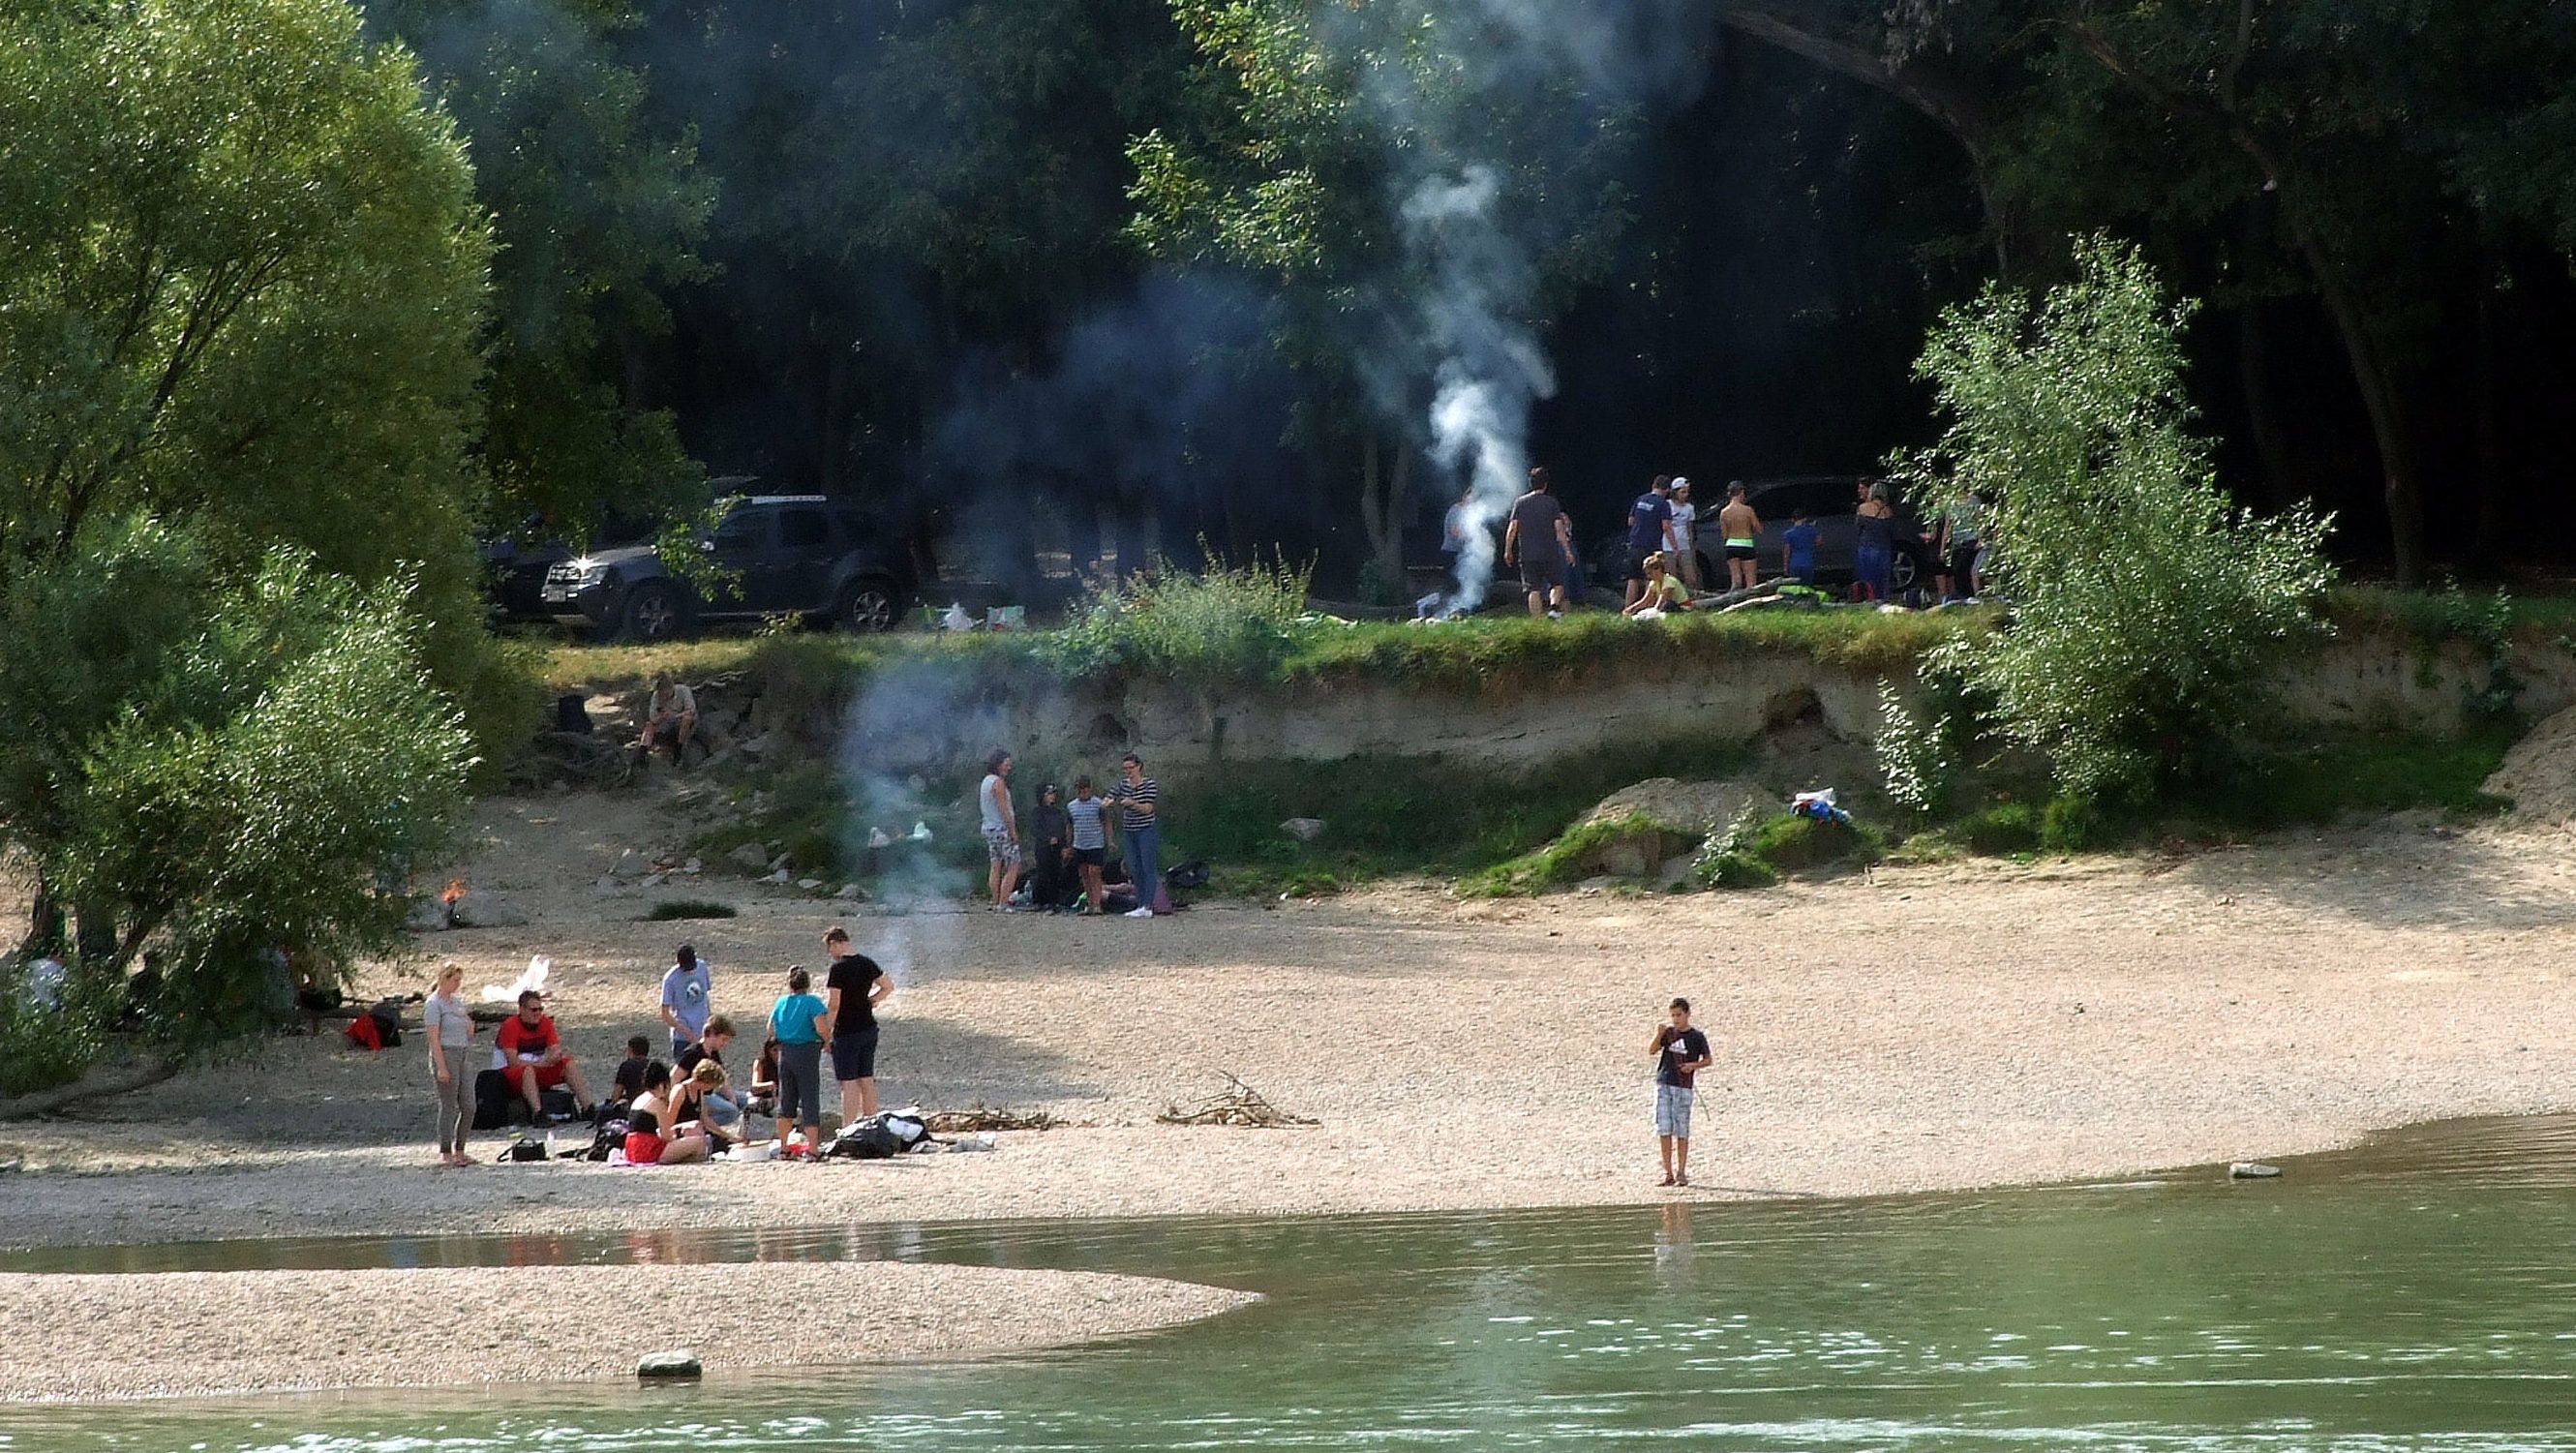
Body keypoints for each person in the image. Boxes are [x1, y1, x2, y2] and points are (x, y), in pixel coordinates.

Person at [824, 926, 894, 1121]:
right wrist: (871, 1000)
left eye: (830, 950)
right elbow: (888, 986)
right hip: (868, 1027)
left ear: (835, 943)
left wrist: (826, 1033)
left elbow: (834, 1004)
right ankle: (872, 1123)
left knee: (849, 1082)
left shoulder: (837, 969)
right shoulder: (866, 963)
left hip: (846, 1030)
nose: (831, 955)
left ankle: (849, 1127)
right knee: (866, 1078)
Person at [495, 988, 592, 1122]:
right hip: (509, 1075)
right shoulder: (510, 1026)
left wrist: (554, 1056)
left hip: (537, 1069)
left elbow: (555, 1049)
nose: (538, 1014)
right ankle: (538, 1113)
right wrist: (542, 1063)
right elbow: (513, 1062)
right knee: (527, 1070)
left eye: (540, 1009)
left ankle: (588, 1108)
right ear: (522, 1009)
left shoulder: (546, 1022)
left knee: (568, 1063)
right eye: (534, 1010)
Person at [768, 966, 832, 1152]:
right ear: (807, 984)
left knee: (787, 1099)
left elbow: (770, 1028)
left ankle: (784, 1147)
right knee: (810, 1098)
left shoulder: (782, 1002)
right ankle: (813, 1148)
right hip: (807, 1051)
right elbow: (820, 1027)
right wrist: (827, 1041)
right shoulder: (812, 1002)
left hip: (785, 1052)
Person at [1650, 997, 1712, 1188]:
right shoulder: (1668, 1034)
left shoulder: (1697, 1036)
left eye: (1679, 1015)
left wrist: (1693, 1065)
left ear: (1687, 1014)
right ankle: (1668, 1173)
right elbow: (1652, 1051)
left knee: (1682, 1131)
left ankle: (1681, 1173)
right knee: (1664, 1129)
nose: (1676, 1019)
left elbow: (1708, 1059)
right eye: (1673, 1015)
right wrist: (1658, 1035)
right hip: (1664, 1083)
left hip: (1683, 1086)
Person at [1502, 466, 1574, 619]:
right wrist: (1567, 550)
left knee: (1533, 589)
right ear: (1546, 484)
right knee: (1557, 584)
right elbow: (1559, 529)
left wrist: (1508, 550)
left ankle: (1537, 622)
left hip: (1527, 554)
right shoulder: (1552, 503)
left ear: (1530, 483)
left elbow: (1512, 528)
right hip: (1550, 553)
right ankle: (1554, 609)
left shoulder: (1520, 503)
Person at [425, 963, 476, 1167]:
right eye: (454, 980)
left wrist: (468, 1022)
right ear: (443, 979)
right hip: (445, 1053)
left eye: (459, 980)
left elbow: (469, 1032)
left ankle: (461, 1149)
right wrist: (441, 1067)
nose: (457, 984)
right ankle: (446, 1150)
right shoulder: (433, 1004)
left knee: (469, 1105)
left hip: (463, 1052)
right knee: (448, 1104)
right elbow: (433, 1037)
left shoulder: (457, 1003)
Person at [623, 1062, 711, 1165]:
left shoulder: (639, 1099)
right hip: (647, 1151)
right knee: (699, 1142)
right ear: (661, 1085)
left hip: (631, 1148)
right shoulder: (657, 1102)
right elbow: (667, 1137)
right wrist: (680, 1135)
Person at [1108, 752, 1163, 919]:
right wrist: (1107, 802)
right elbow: (1110, 796)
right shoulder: (1122, 785)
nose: (1128, 771)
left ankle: (1148, 905)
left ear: (1139, 767)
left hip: (1146, 830)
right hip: (1129, 831)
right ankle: (1140, 903)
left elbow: (1148, 809)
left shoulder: (1149, 785)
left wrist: (1132, 803)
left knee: (1148, 867)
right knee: (1134, 867)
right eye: (1125, 768)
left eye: (1131, 768)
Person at [1623, 475, 1679, 610]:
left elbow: (1630, 521)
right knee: (1652, 578)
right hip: (1651, 545)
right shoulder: (1663, 503)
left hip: (1634, 543)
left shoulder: (1640, 499)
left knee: (1633, 579)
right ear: (1666, 490)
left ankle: (1627, 609)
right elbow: (1666, 526)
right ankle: (1651, 610)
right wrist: (1675, 547)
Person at [980, 749, 1021, 910]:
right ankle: (1004, 902)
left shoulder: (985, 782)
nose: (1008, 767)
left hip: (989, 827)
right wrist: (1013, 831)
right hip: (1001, 828)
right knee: (1014, 864)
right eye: (1006, 764)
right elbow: (1004, 809)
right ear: (998, 764)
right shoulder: (998, 783)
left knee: (996, 864)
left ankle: (995, 900)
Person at [659, 944, 713, 1060]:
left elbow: (705, 997)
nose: (690, 971)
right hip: (682, 1039)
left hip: (705, 1034)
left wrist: (710, 1022)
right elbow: (665, 1014)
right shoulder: (670, 979)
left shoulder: (702, 967)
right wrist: (689, 1034)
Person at [1067, 775, 1110, 913]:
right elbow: (1070, 826)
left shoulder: (1099, 804)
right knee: (1084, 874)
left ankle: (1097, 904)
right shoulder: (1071, 806)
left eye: (1085, 790)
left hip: (1096, 843)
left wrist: (1110, 839)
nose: (1083, 793)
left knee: (1095, 872)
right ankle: (1090, 903)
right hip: (1079, 844)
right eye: (1080, 790)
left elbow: (1106, 822)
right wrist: (1069, 844)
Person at [1029, 783, 1074, 910]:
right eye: (1049, 794)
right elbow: (1035, 830)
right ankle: (1040, 901)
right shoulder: (1037, 812)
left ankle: (1054, 901)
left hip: (1057, 847)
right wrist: (1048, 838)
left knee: (1055, 873)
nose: (1052, 797)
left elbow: (1063, 828)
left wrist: (1064, 844)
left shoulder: (1058, 812)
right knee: (1043, 873)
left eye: (1053, 794)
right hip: (1043, 847)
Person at [639, 672, 698, 768]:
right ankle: (643, 751)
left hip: (681, 719)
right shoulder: (656, 696)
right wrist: (662, 716)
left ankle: (679, 750)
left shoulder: (683, 691)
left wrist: (675, 715)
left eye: (666, 694)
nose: (664, 697)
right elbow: (653, 718)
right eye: (662, 695)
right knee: (649, 725)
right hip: (665, 721)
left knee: (687, 719)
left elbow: (691, 710)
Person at [1938, 487, 1985, 601]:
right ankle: (1962, 597)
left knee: (1964, 566)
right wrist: (1943, 548)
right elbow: (1948, 526)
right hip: (1957, 541)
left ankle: (1970, 596)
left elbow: (1980, 520)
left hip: (1971, 538)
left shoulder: (1974, 501)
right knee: (1956, 569)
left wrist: (1981, 539)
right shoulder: (1951, 503)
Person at [1855, 481, 1897, 603]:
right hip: (1884, 548)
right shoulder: (1888, 510)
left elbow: (1858, 527)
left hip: (1867, 547)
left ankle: (1868, 599)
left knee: (1867, 577)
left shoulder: (1863, 508)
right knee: (1883, 578)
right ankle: (1882, 600)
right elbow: (1892, 532)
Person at [1715, 483, 1762, 591]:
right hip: (1746, 543)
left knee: (1736, 580)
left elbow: (1724, 534)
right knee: (1751, 580)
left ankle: (1733, 600)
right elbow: (1759, 529)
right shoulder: (1748, 510)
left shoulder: (1724, 512)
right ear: (1741, 492)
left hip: (1731, 545)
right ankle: (1751, 601)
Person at [1622, 552, 1691, 619]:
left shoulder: (1669, 581)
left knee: (1668, 605)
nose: (1648, 576)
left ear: (1657, 569)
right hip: (1666, 608)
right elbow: (1644, 601)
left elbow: (1661, 602)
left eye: (1649, 573)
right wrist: (1631, 608)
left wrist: (1652, 613)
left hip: (1682, 608)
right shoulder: (1653, 583)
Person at [1669, 478, 1702, 591]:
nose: (1685, 495)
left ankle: (1691, 598)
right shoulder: (1667, 505)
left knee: (1691, 576)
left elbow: (1690, 528)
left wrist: (1691, 546)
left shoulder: (1689, 508)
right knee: (1671, 576)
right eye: (1682, 492)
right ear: (1675, 492)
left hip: (1684, 544)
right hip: (1668, 546)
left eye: (1687, 492)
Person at [1781, 509, 1820, 589]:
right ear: (1805, 518)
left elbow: (1787, 551)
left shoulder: (1788, 533)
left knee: (1795, 588)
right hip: (1808, 562)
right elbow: (1819, 542)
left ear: (1792, 519)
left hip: (1794, 563)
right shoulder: (1812, 530)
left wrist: (1785, 567)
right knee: (1808, 587)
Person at [612, 1034, 653, 1104]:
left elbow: (616, 1095)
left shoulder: (626, 1066)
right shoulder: (652, 1066)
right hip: (650, 1104)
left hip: (631, 1105)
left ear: (630, 1050)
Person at [749, 1034, 782, 1119]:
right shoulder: (761, 1063)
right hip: (764, 1098)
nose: (778, 1054)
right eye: (775, 1050)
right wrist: (769, 1085)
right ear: (768, 1051)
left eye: (781, 1050)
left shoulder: (787, 1063)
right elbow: (754, 1087)